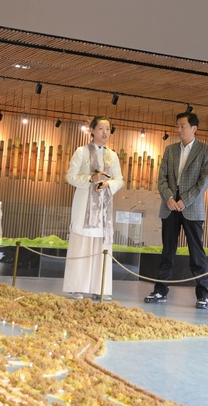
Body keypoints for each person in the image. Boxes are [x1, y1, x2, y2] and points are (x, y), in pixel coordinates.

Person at [144, 112, 208, 309]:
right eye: (177, 125)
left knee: (196, 252)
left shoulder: (205, 151)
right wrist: (169, 198)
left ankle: (203, 294)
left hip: (191, 208)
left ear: (194, 128)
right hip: (170, 207)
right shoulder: (170, 150)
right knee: (167, 251)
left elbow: (204, 181)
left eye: (183, 125)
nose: (179, 129)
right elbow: (162, 178)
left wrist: (185, 200)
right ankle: (160, 291)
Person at [63, 116, 124, 301]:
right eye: (101, 128)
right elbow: (71, 177)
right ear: (92, 130)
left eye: (108, 129)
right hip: (84, 206)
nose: (105, 132)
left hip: (104, 208)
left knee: (101, 247)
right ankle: (77, 287)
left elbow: (119, 179)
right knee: (81, 245)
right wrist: (91, 179)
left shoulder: (112, 155)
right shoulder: (81, 152)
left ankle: (100, 287)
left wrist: (107, 184)